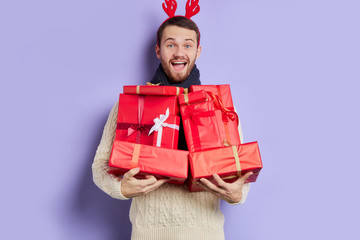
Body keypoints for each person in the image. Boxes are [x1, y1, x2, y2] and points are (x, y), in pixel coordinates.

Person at [92, 15, 253, 240]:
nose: (179, 52)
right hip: (148, 234)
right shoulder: (128, 104)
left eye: (188, 45)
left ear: (198, 51)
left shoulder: (220, 106)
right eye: (171, 45)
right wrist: (121, 189)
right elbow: (100, 166)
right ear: (158, 51)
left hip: (206, 234)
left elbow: (240, 169)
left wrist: (238, 194)